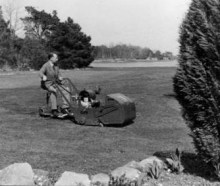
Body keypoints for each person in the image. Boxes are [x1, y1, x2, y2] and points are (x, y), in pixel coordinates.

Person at [39, 52, 73, 118]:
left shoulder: (56, 66)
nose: (57, 59)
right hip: (47, 84)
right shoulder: (46, 65)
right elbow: (40, 72)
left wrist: (60, 77)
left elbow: (59, 74)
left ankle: (65, 107)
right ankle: (54, 109)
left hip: (56, 83)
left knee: (67, 89)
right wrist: (43, 76)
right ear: (51, 58)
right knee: (53, 91)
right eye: (56, 58)